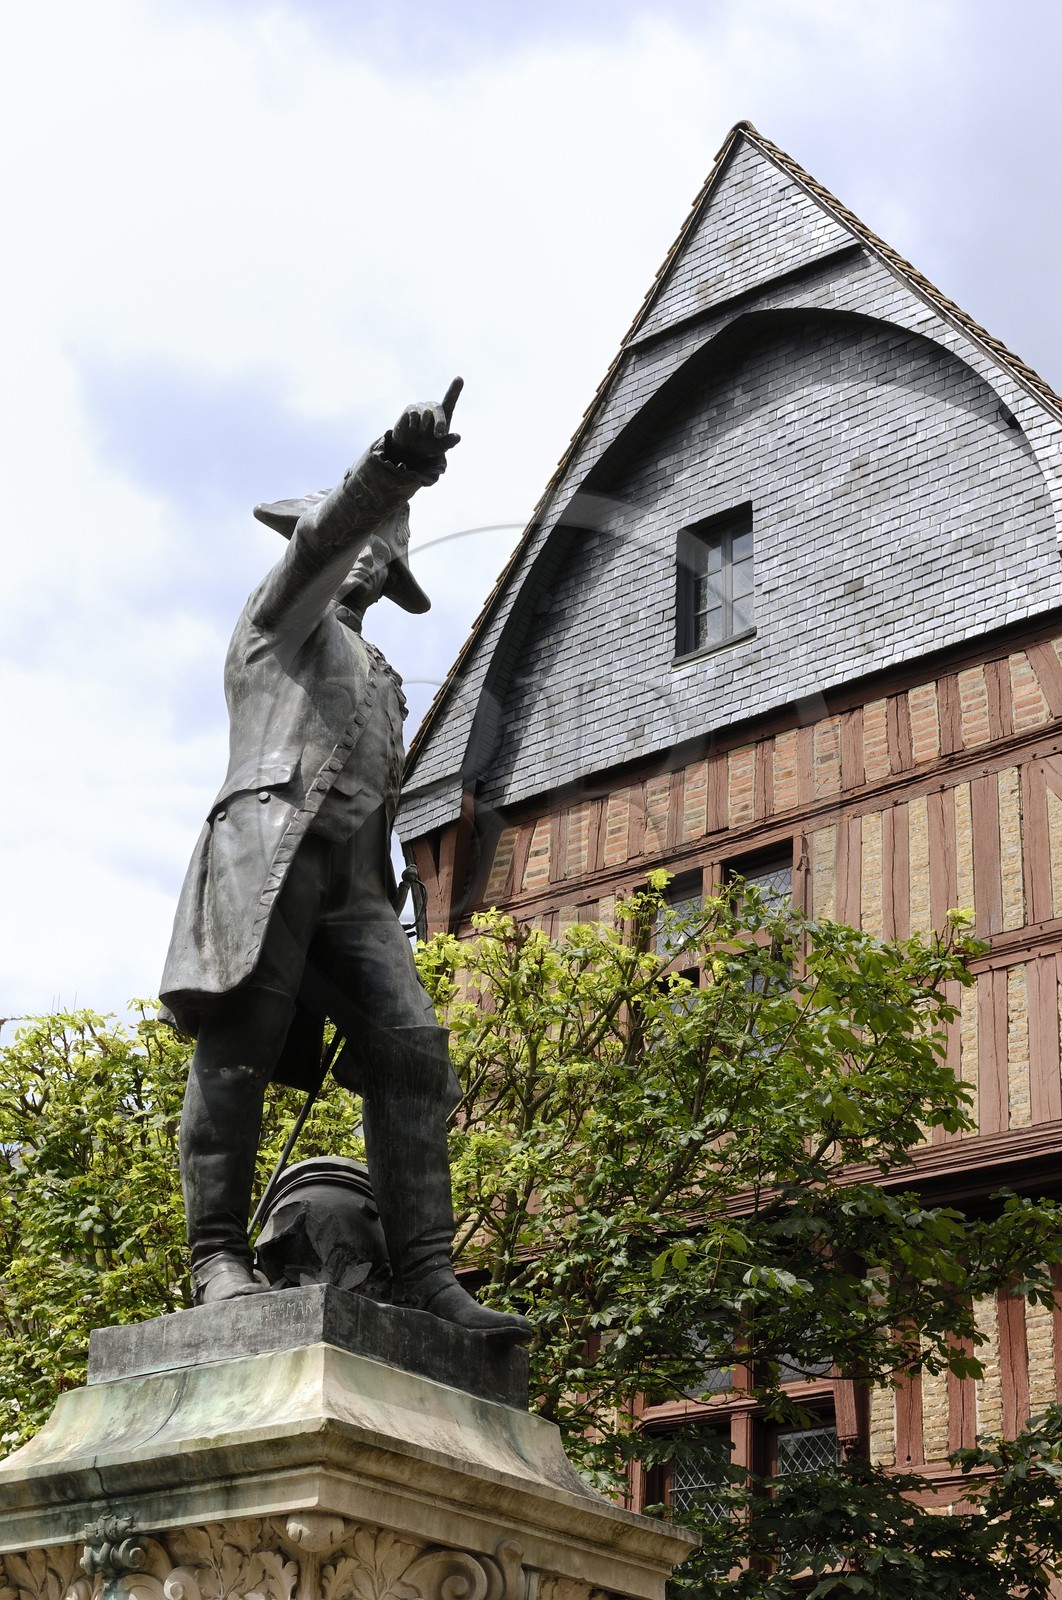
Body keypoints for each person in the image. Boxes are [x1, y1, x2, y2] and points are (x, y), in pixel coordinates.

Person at [161, 382, 529, 1342]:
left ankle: (428, 1274)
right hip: (267, 856)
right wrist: (390, 472)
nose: (372, 555)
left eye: (389, 548)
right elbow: (321, 548)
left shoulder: (385, 677)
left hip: (358, 888)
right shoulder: (276, 624)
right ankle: (216, 1256)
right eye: (362, 538)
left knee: (414, 1050)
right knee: (240, 1044)